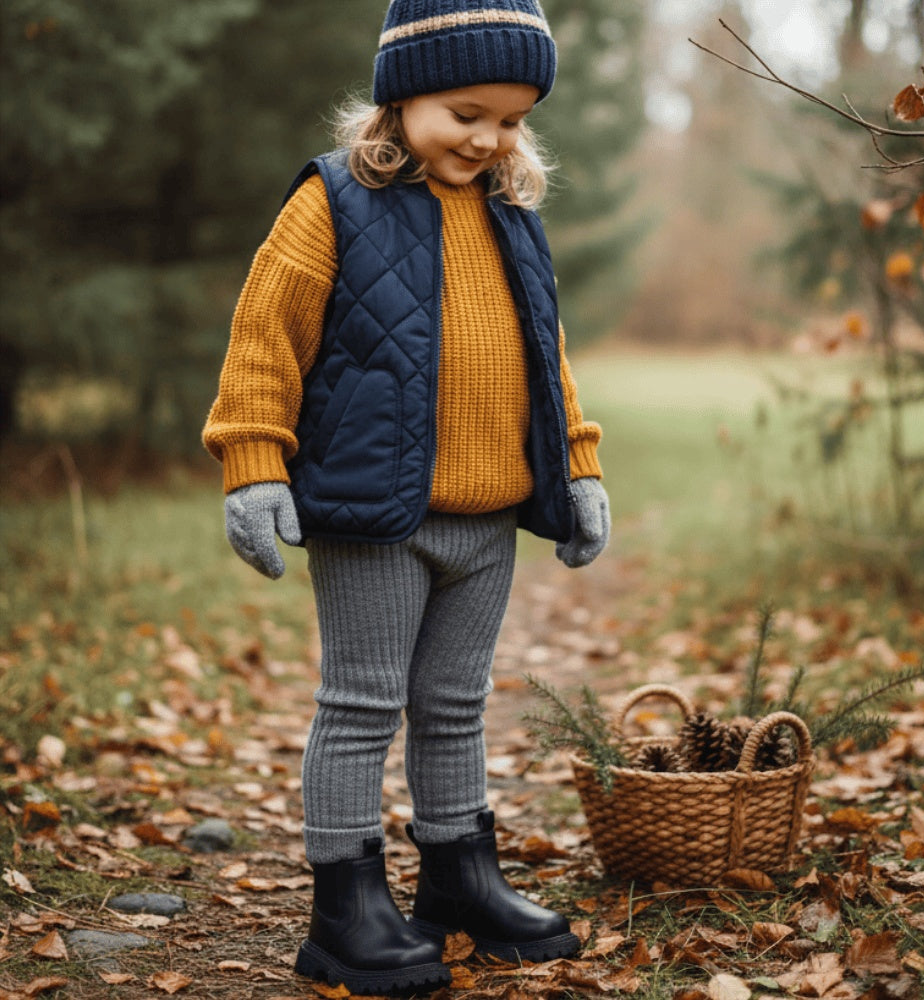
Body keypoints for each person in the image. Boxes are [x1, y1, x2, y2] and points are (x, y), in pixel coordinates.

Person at [202, 0, 610, 994]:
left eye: (511, 119)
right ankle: (344, 906)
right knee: (361, 702)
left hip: (486, 518)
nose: (489, 138)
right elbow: (267, 334)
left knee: (455, 703)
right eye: (467, 111)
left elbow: (542, 351)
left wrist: (582, 463)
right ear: (400, 96)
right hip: (373, 513)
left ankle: (458, 879)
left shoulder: (511, 213)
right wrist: (253, 458)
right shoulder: (335, 199)